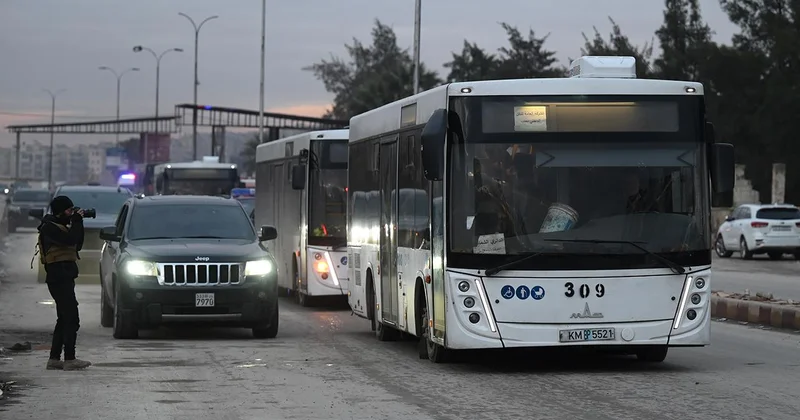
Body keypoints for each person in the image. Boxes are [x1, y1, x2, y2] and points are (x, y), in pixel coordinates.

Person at [37, 195, 91, 371]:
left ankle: (54, 359)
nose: (71, 213)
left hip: (65, 277)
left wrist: (78, 223)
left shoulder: (61, 226)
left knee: (64, 318)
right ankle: (69, 358)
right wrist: (76, 221)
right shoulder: (49, 228)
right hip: (58, 278)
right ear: (60, 212)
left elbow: (77, 244)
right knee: (71, 318)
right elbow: (70, 240)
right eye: (69, 210)